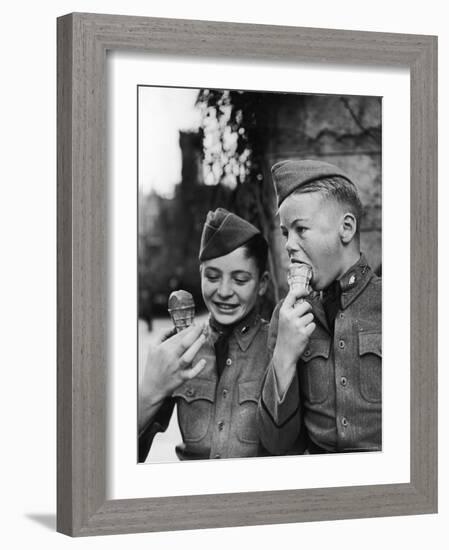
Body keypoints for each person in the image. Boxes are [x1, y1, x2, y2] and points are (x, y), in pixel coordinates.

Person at [257, 159, 381, 454]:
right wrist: (284, 356)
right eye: (286, 232)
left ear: (346, 228)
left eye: (301, 229)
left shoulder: (399, 304)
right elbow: (277, 446)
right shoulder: (287, 317)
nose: (288, 244)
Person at [139, 208, 271, 461]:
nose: (223, 291)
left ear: (262, 283)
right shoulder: (177, 348)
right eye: (212, 276)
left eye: (240, 280)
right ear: (200, 274)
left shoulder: (277, 346)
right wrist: (148, 392)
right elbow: (126, 457)